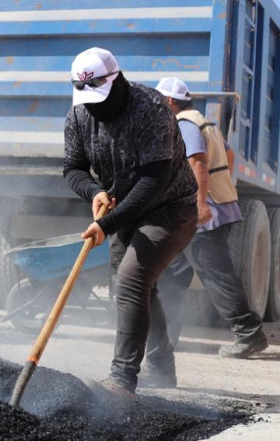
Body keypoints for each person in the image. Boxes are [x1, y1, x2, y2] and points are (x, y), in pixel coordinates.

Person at [63, 48, 199, 398]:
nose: (95, 108)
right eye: (88, 100)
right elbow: (73, 167)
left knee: (131, 278)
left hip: (170, 207)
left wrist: (106, 225)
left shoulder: (151, 108)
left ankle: (122, 379)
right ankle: (162, 368)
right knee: (135, 288)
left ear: (118, 80)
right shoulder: (79, 114)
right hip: (125, 211)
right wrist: (94, 190)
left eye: (100, 98)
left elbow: (153, 180)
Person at [153, 77, 268, 364]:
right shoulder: (204, 121)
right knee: (172, 272)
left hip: (202, 214)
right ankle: (167, 336)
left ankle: (249, 333)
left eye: (159, 100)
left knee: (214, 271)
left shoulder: (184, 124)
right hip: (209, 208)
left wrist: (201, 202)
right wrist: (220, 185)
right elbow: (228, 154)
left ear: (169, 101)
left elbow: (197, 162)